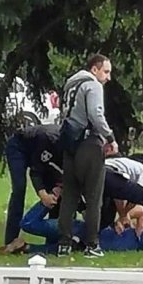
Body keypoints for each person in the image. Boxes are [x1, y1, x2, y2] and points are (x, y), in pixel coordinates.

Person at [57, 54, 118, 258]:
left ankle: (64, 244)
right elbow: (95, 113)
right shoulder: (93, 86)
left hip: (69, 143)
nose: (108, 78)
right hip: (89, 144)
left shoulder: (70, 84)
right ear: (95, 69)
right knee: (93, 197)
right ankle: (92, 245)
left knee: (70, 197)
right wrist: (109, 137)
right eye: (106, 72)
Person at [0, 199, 143, 255]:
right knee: (30, 226)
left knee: (54, 249)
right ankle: (50, 199)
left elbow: (142, 214)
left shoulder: (142, 242)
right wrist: (124, 218)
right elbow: (142, 213)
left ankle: (23, 247)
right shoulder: (141, 240)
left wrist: (124, 219)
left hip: (80, 242)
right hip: (79, 232)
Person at [2, 123, 62, 246]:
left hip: (41, 154)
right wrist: (43, 195)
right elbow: (36, 171)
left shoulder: (69, 149)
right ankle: (10, 240)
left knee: (55, 194)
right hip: (19, 147)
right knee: (19, 189)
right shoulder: (48, 139)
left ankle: (52, 241)